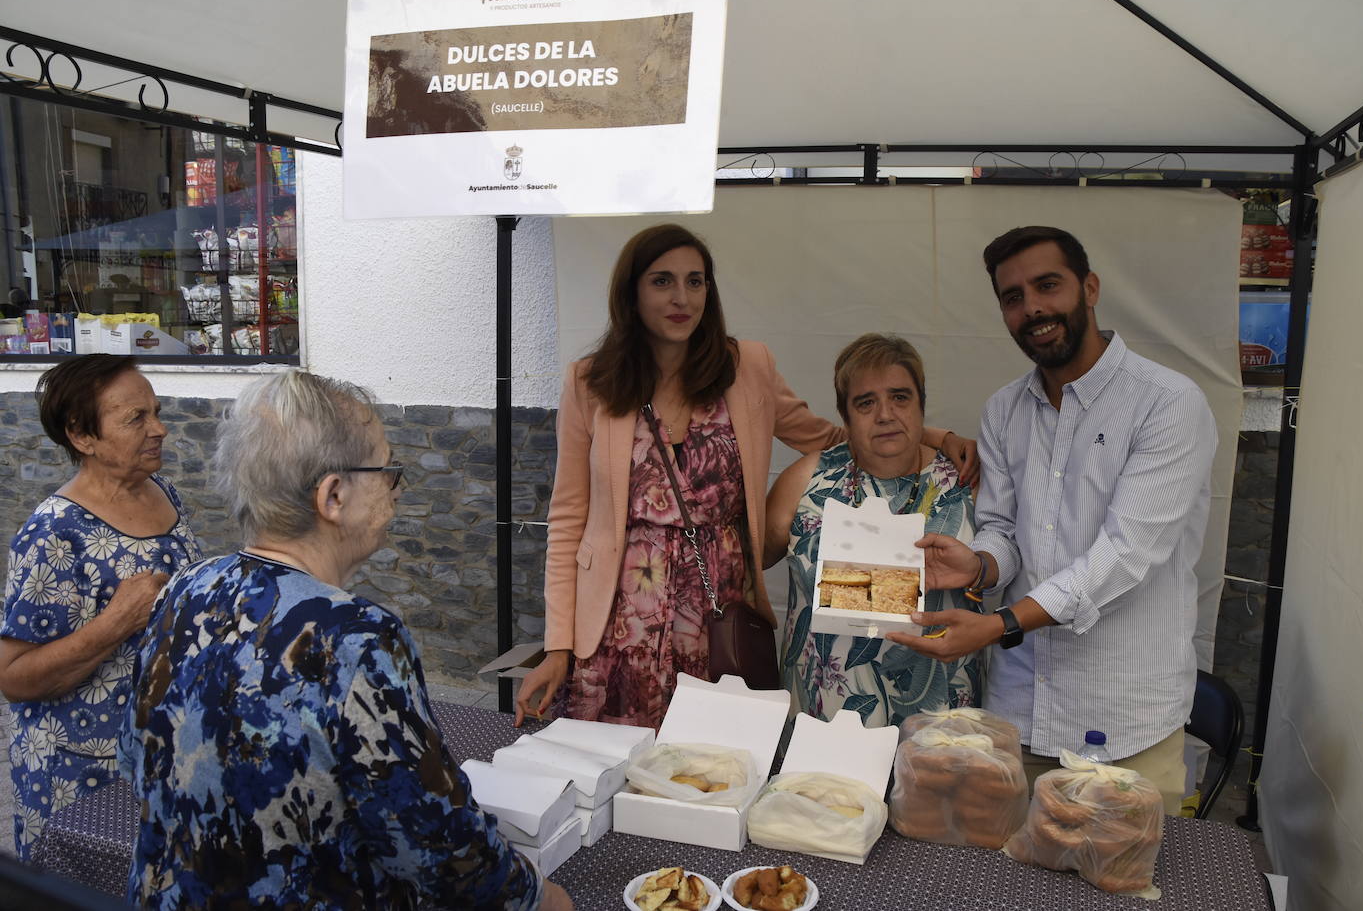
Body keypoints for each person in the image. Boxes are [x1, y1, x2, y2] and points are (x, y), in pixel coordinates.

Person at [118, 372, 571, 911]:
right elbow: (438, 850)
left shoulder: (188, 586)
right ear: (333, 495)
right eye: (386, 471)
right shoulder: (356, 637)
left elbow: (135, 757)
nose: (396, 487)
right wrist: (542, 898)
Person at [515, 224, 978, 728]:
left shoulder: (747, 367)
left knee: (714, 765)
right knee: (619, 770)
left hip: (720, 616)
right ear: (631, 292)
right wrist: (558, 646)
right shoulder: (590, 382)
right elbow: (566, 520)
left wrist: (930, 434)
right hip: (620, 620)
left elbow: (832, 438)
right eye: (662, 281)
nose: (681, 297)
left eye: (696, 281)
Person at [892, 226, 1217, 815]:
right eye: (1013, 297)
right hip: (1020, 719)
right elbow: (1003, 531)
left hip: (1124, 726)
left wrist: (999, 625)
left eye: (1048, 285)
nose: (1032, 308)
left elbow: (1124, 556)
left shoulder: (1168, 404)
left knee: (1123, 891)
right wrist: (982, 563)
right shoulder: (1004, 410)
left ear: (1089, 288)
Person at [0, 355, 201, 858]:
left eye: (156, 412)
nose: (159, 429)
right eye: (136, 418)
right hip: (81, 772)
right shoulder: (53, 534)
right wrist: (116, 622)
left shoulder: (164, 492)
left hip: (162, 755)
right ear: (82, 436)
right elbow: (15, 678)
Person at [764, 334, 981, 728]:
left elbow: (1008, 570)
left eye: (900, 397)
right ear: (845, 417)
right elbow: (746, 562)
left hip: (939, 724)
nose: (884, 414)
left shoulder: (968, 483)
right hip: (823, 719)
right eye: (866, 403)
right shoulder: (806, 482)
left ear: (921, 405)